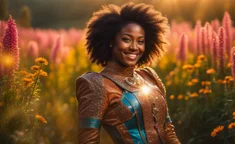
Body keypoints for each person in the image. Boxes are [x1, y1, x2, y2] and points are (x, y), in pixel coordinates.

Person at [76, 2, 181, 144]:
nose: (134, 47)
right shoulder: (96, 84)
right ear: (111, 41)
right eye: (126, 39)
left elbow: (168, 129)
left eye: (140, 41)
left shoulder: (149, 77)